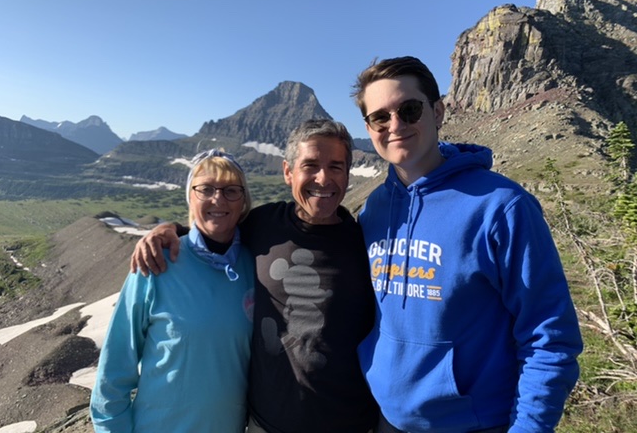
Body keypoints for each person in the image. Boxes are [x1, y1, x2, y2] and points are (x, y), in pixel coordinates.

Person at [352, 56, 583, 433]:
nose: (395, 125)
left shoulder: (502, 206)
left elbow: (549, 335)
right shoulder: (375, 208)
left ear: (438, 111)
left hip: (472, 423)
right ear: (369, 127)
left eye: (409, 110)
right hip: (388, 420)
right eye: (380, 117)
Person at [131, 119, 378, 433]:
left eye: (336, 167)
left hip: (349, 424)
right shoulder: (263, 224)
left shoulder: (367, 243)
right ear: (288, 172)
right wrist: (170, 231)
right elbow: (215, 229)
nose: (323, 178)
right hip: (265, 424)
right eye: (310, 165)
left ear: (348, 173)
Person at [90, 149, 255, 432]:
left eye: (231, 190)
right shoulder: (156, 263)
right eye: (205, 189)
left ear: (243, 202)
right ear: (190, 197)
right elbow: (114, 370)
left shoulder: (255, 264)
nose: (218, 199)